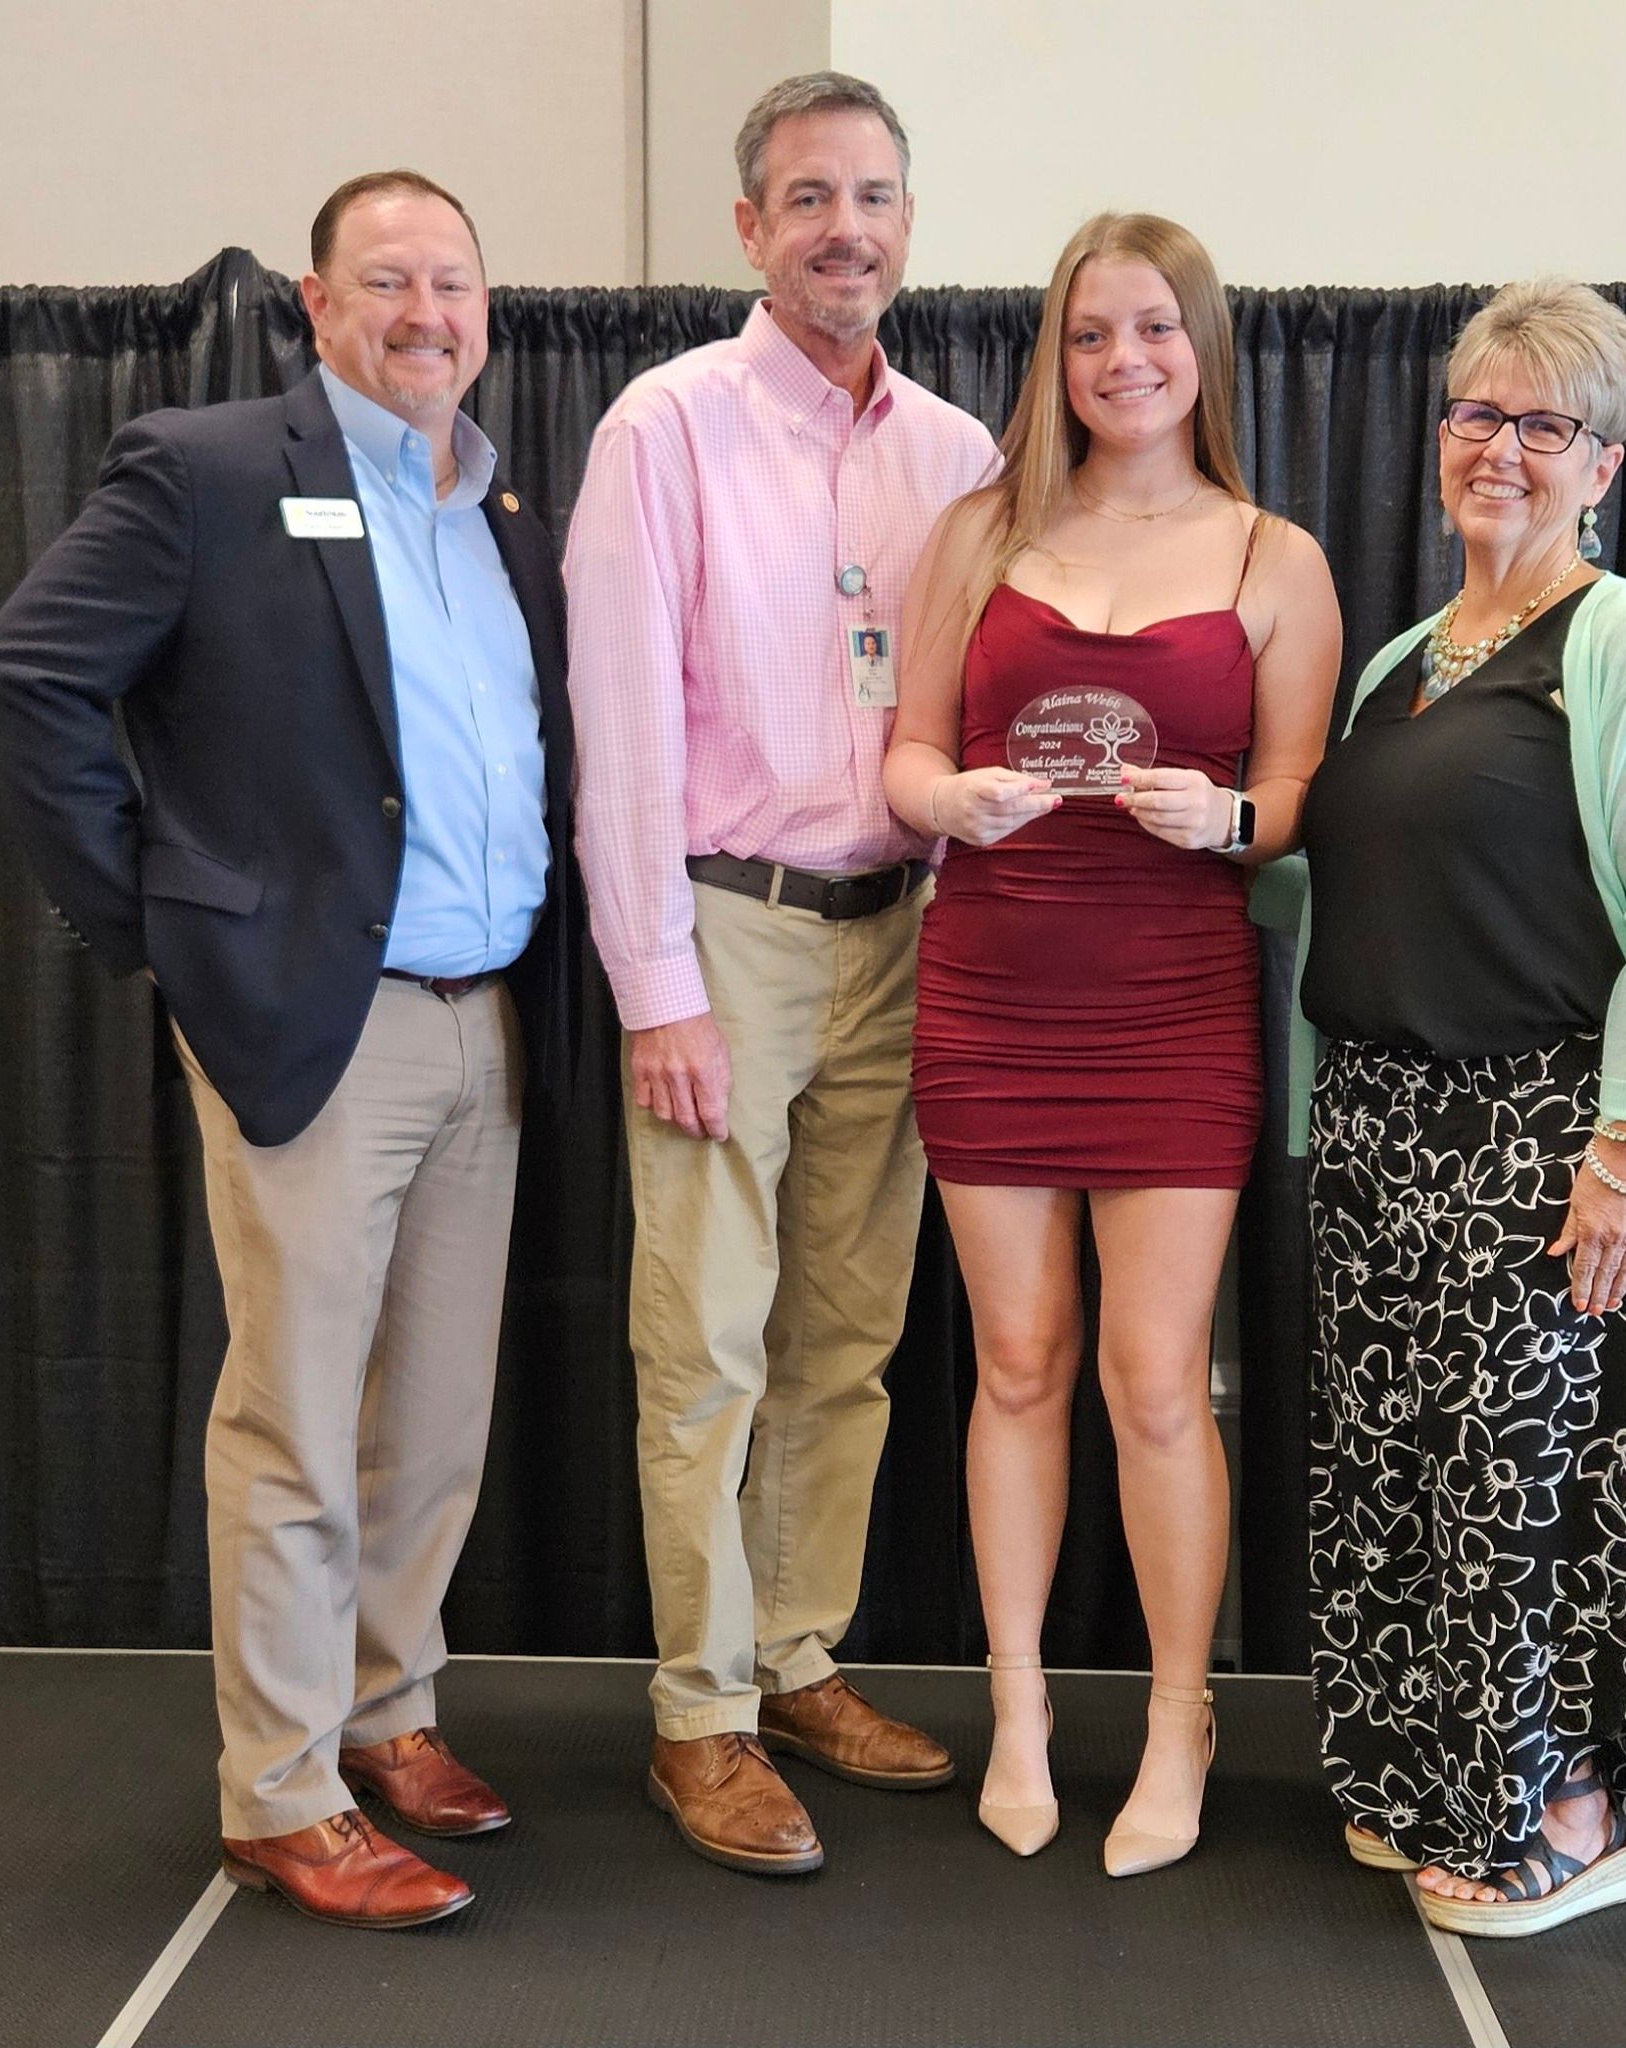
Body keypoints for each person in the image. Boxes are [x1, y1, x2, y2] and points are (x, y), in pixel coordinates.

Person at [0, 171, 572, 1930]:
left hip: (486, 1023)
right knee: (299, 1427)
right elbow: (26, 683)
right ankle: (278, 1791)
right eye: (386, 282)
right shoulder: (214, 469)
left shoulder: (498, 502)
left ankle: (388, 1713)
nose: (424, 312)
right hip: (313, 1020)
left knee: (434, 1421)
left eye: (451, 282)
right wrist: (156, 925)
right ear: (313, 304)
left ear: (486, 304)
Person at [562, 73, 996, 1876]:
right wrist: (656, 984)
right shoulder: (663, 428)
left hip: (898, 936)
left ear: (907, 223)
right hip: (724, 936)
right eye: (807, 197)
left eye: (874, 196)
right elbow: (620, 727)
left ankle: (799, 1655)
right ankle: (701, 1716)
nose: (845, 227)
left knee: (849, 1343)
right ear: (748, 228)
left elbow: (968, 706)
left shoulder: (958, 453)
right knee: (705, 1350)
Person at [1294, 277, 1626, 1934]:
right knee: (1410, 1477)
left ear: (1603, 465)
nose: (1497, 446)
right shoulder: (1410, 660)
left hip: (1546, 1139)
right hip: (1383, 1136)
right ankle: (1435, 1765)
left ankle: (1566, 1804)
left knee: (1536, 1489)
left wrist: (1625, 1156)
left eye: (1541, 422)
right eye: (1475, 413)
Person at [881, 213, 1339, 1874]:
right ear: (1052, 359)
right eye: (1088, 335)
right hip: (994, 985)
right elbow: (907, 757)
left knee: (1156, 1385)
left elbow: (1297, 803)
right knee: (1016, 1367)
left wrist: (1224, 814)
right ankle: (1017, 1708)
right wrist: (951, 801)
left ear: (1199, 348)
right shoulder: (976, 530)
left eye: (1152, 329)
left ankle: (1176, 1717)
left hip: (1175, 998)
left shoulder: (1271, 556)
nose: (1121, 361)